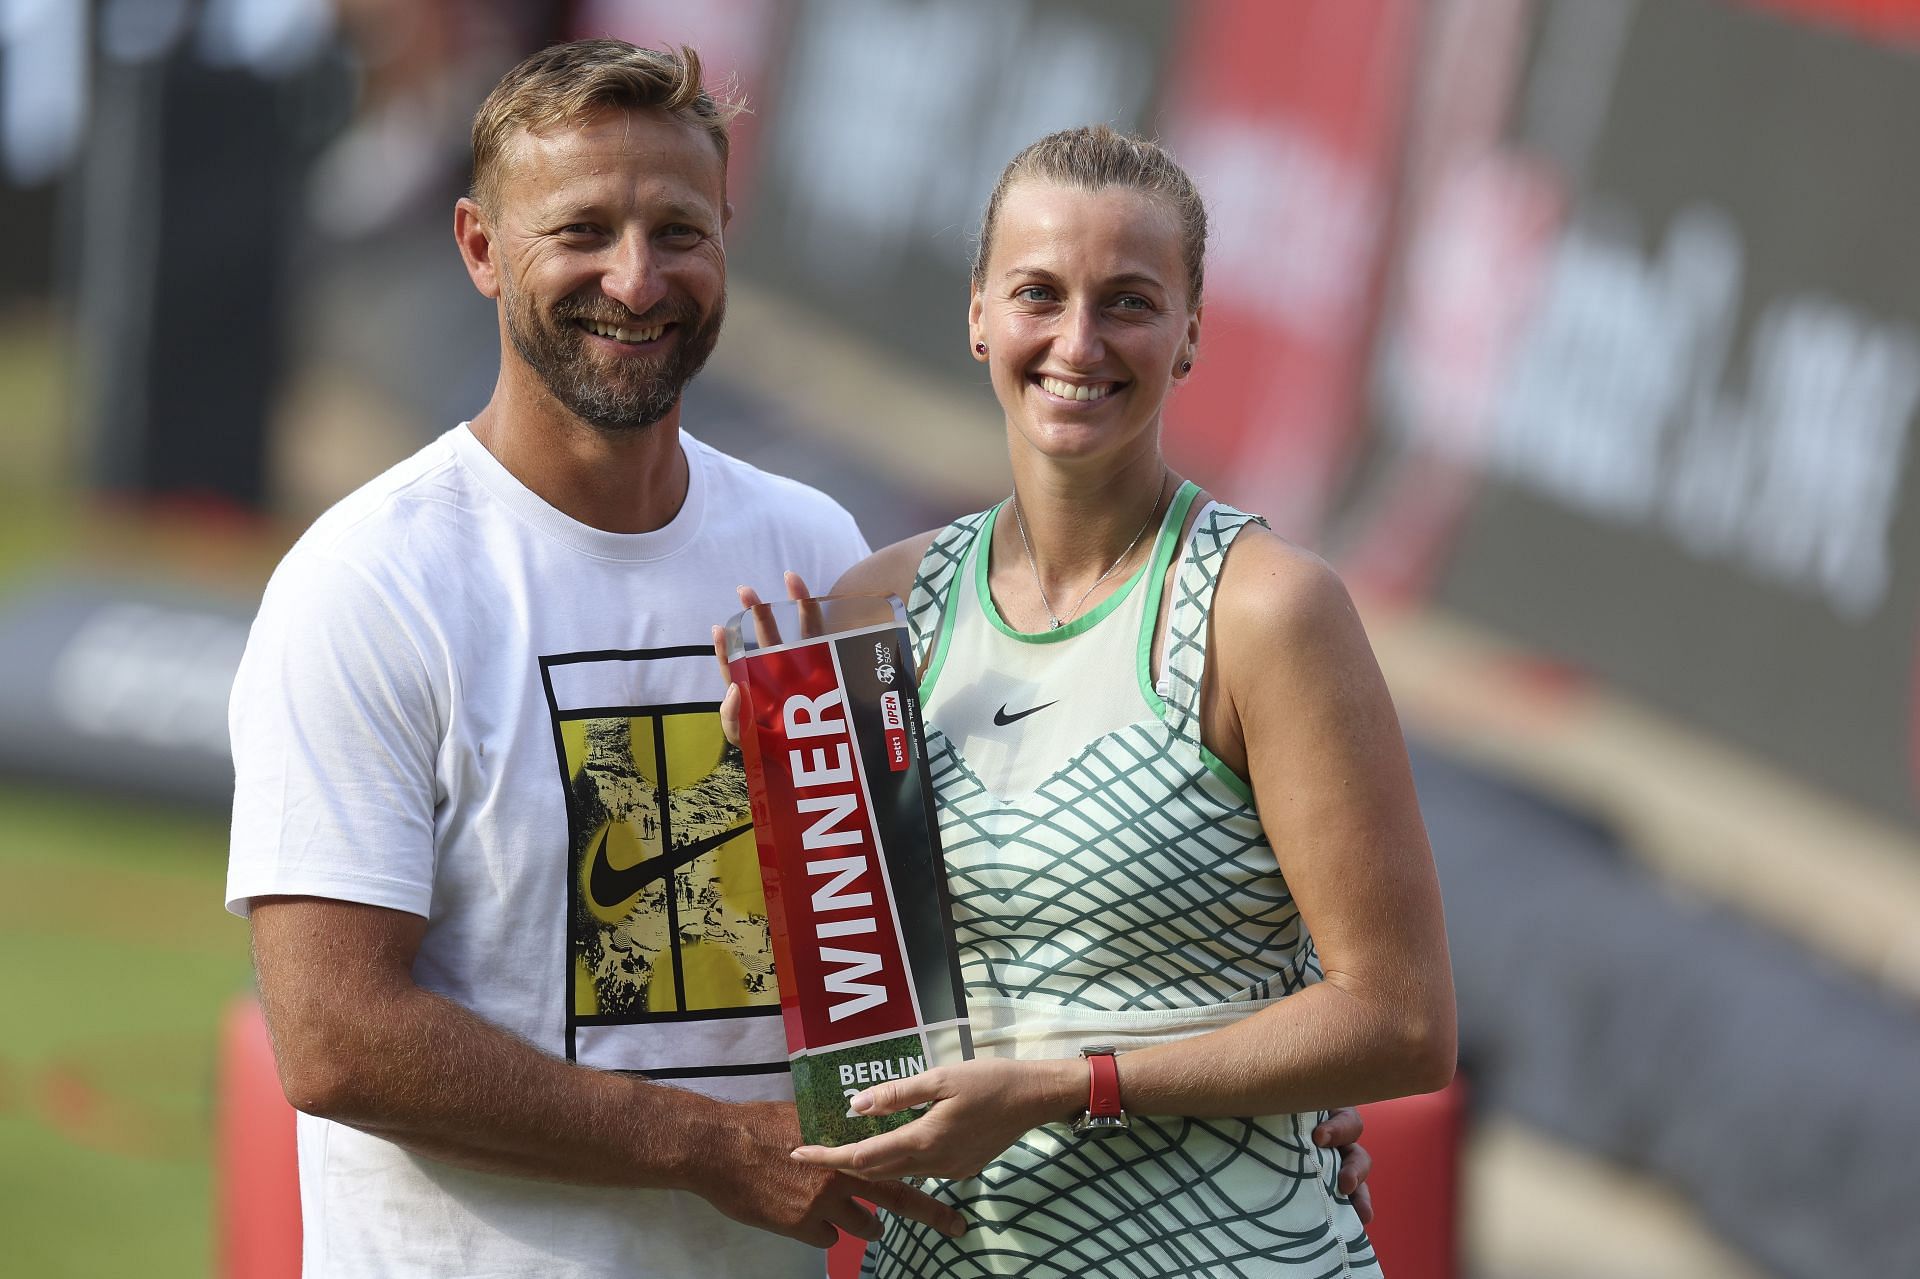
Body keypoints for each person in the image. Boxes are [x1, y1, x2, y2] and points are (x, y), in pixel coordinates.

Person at [223, 36, 1381, 1278]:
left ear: (728, 238)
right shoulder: (368, 585)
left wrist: (1253, 1069)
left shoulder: (813, 549)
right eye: (581, 230)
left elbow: (944, 919)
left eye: (677, 229)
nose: (634, 276)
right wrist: (707, 1146)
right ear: (478, 247)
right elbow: (338, 1035)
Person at [748, 126, 1456, 1277]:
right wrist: (759, 819)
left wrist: (1071, 1087)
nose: (1078, 342)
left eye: (1128, 301)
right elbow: (843, 1013)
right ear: (978, 312)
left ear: (1191, 336)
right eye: (1039, 292)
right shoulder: (876, 608)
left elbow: (1402, 1021)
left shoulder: (1265, 611)